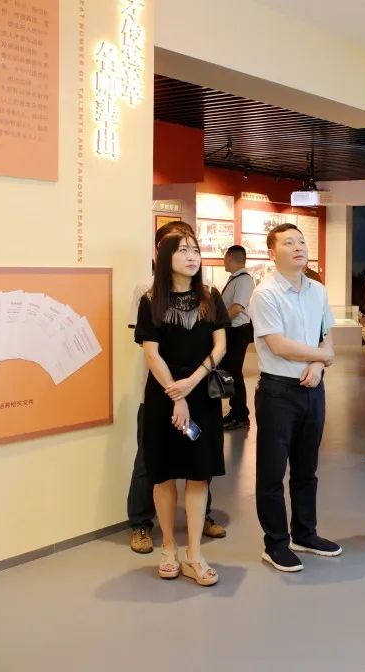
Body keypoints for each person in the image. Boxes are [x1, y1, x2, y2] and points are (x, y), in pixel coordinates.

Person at [135, 230, 227, 586]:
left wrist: (192, 382)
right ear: (165, 257)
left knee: (198, 473)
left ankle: (194, 553)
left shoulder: (210, 296)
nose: (192, 256)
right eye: (183, 250)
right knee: (163, 474)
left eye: (195, 250)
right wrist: (177, 395)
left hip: (201, 394)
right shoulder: (150, 300)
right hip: (164, 395)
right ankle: (169, 548)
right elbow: (151, 353)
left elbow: (220, 346)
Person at [248, 223, 341, 573]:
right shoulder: (265, 293)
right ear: (273, 253)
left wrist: (318, 365)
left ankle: (305, 533)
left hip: (313, 389)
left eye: (301, 241)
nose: (299, 246)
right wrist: (322, 357)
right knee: (272, 472)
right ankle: (275, 543)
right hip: (278, 392)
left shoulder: (318, 290)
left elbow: (325, 336)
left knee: (307, 469)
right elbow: (278, 345)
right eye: (289, 242)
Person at [219, 245, 256, 431]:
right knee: (230, 371)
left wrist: (217, 323)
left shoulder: (244, 280)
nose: (223, 261)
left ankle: (241, 415)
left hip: (236, 332)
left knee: (234, 372)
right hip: (230, 331)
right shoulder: (236, 278)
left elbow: (237, 307)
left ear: (230, 257)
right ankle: (235, 411)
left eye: (225, 258)